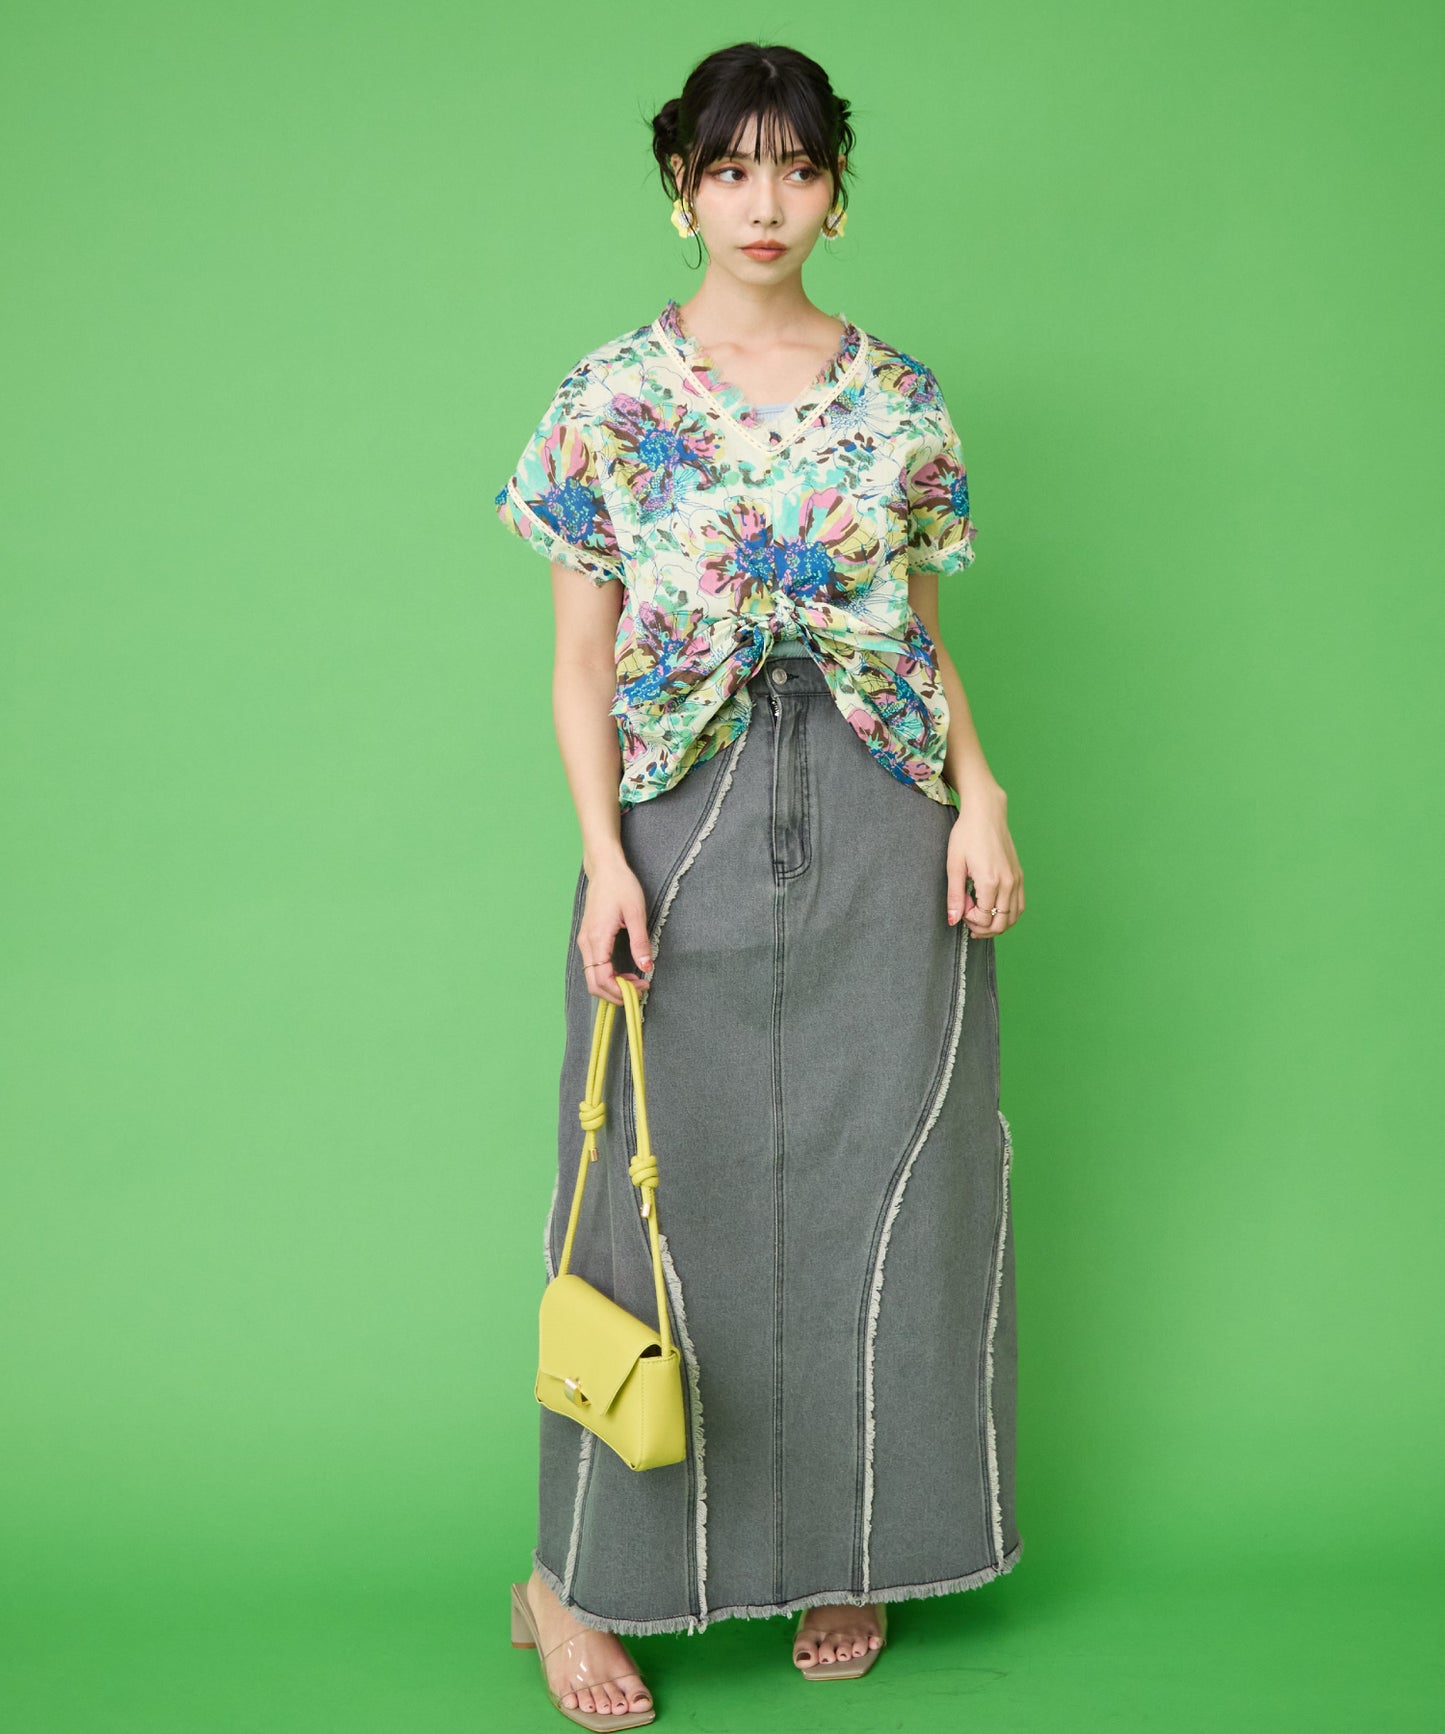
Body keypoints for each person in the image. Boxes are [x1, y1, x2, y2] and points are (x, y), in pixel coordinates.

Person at [494, 40, 1025, 1726]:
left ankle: (845, 1548)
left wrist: (980, 796)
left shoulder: (900, 400)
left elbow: (917, 634)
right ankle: (570, 1580)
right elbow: (580, 664)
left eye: (795, 167)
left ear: (835, 190)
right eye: (729, 168)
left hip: (882, 809)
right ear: (681, 188)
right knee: (648, 1192)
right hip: (679, 811)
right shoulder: (608, 397)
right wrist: (604, 857)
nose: (763, 201)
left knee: (890, 1177)